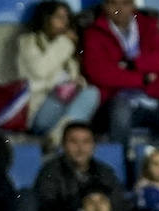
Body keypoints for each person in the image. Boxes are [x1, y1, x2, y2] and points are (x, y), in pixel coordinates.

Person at [81, 0, 159, 148]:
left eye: (125, 3)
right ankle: (121, 165)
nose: (119, 9)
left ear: (133, 6)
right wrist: (142, 78)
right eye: (114, 4)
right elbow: (100, 73)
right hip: (115, 97)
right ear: (105, 6)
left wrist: (133, 64)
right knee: (121, 115)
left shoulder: (148, 25)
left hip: (154, 94)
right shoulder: (94, 33)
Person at [16, 1, 100, 148]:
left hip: (62, 112)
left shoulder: (68, 49)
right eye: (59, 17)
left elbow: (73, 80)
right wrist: (65, 42)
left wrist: (77, 83)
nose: (64, 23)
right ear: (45, 19)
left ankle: (59, 137)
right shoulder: (28, 42)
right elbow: (39, 72)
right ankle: (64, 137)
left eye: (67, 18)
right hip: (39, 110)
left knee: (92, 93)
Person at [32, 121, 126, 211]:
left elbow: (117, 206)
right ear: (63, 145)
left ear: (94, 146)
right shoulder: (50, 172)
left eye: (86, 142)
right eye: (74, 142)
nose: (80, 148)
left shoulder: (105, 172)